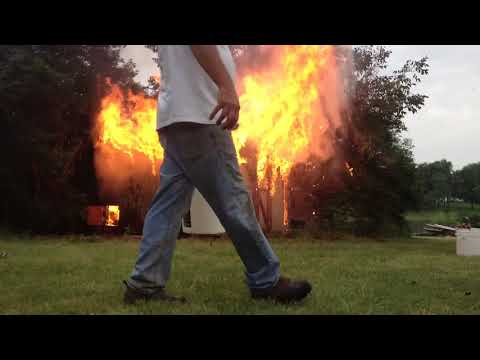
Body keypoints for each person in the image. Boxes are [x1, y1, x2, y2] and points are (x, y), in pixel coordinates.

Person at [123, 45, 312, 304]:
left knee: (167, 207)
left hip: (176, 117)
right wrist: (226, 86)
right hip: (200, 115)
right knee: (234, 200)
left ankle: (144, 284)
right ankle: (266, 280)